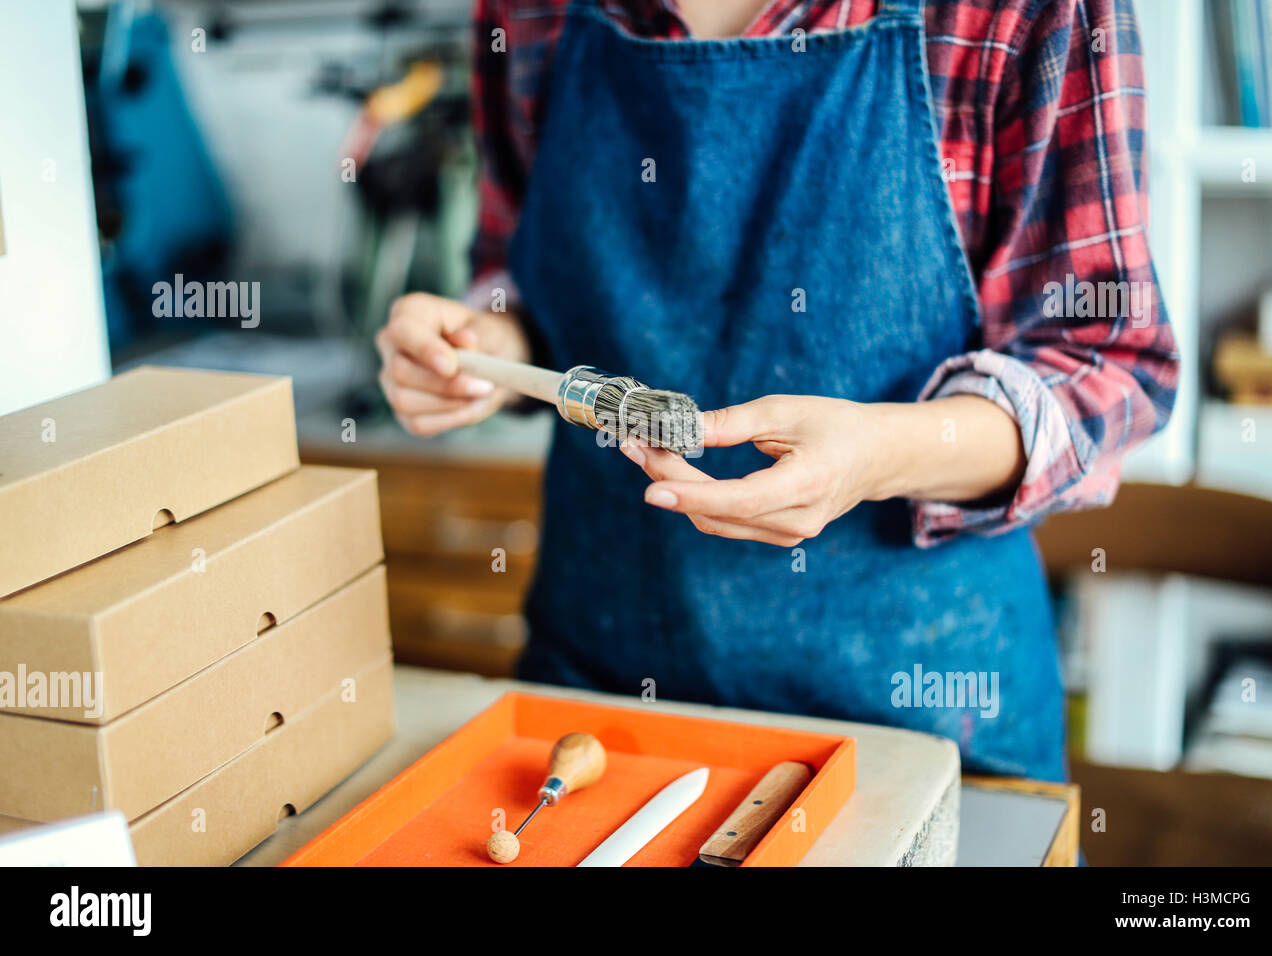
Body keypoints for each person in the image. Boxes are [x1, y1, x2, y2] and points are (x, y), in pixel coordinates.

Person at [375, 0, 1179, 782]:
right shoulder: (529, 12)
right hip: (600, 700)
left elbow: (1108, 363)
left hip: (917, 723)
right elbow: (520, 280)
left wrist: (881, 457)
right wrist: (484, 346)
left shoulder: (1023, 13)